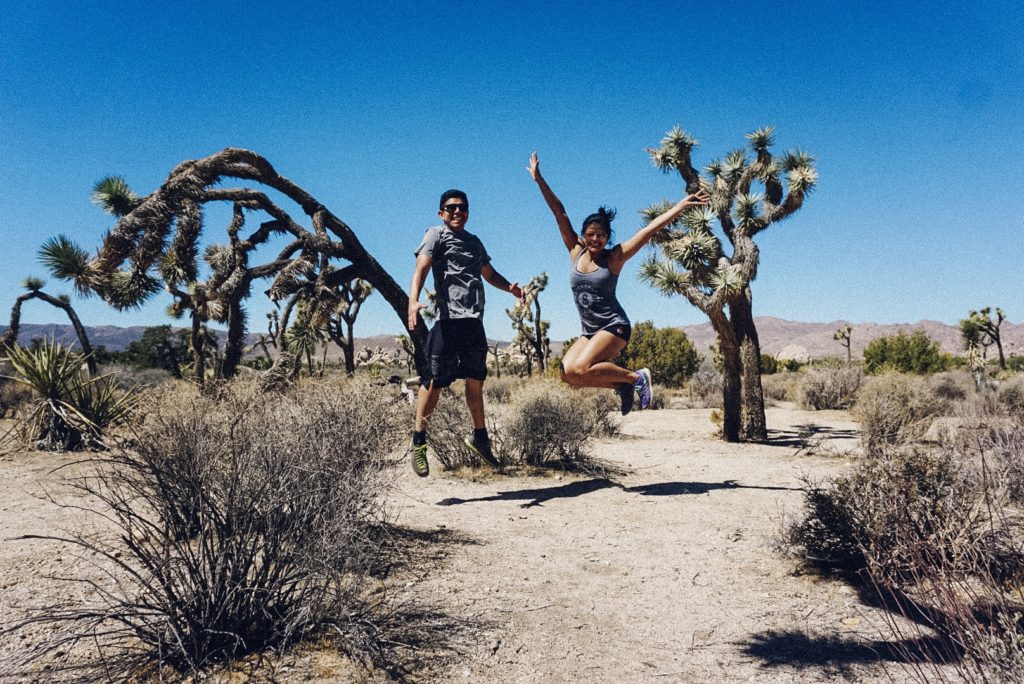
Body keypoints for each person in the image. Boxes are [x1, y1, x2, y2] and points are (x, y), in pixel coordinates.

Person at [527, 151, 709, 415]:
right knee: (568, 375)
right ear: (584, 235)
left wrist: (680, 207)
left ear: (607, 237)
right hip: (589, 331)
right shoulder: (575, 250)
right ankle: (621, 385)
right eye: (590, 234)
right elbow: (559, 212)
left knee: (581, 369)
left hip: (614, 326)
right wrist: (539, 180)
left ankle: (636, 378)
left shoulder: (615, 258)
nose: (595, 240)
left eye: (601, 235)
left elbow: (649, 231)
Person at [407, 189, 524, 477]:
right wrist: (413, 299)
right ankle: (419, 440)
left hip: (473, 322)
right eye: (450, 208)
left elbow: (489, 273)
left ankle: (480, 438)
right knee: (434, 381)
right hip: (448, 321)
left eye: (462, 207)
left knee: (475, 383)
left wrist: (510, 288)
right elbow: (421, 267)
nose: (457, 212)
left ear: (468, 211)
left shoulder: (474, 243)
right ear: (441, 213)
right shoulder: (435, 234)